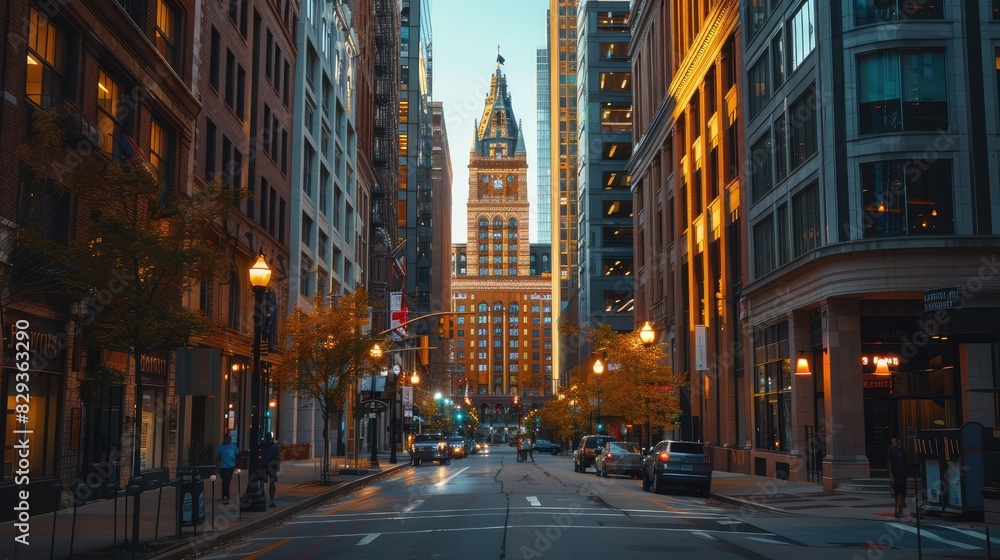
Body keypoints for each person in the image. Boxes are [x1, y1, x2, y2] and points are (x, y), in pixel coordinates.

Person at [886, 437, 907, 518]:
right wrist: (891, 477)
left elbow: (905, 461)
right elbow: (888, 463)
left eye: (896, 441)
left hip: (902, 473)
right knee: (899, 492)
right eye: (893, 441)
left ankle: (901, 507)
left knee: (903, 492)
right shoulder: (891, 451)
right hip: (895, 474)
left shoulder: (901, 450)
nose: (895, 443)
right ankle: (897, 510)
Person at [259, 432, 280, 508]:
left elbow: (277, 456)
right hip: (268, 465)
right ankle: (268, 499)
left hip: (269, 465)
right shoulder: (271, 446)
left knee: (270, 482)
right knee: (266, 482)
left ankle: (269, 499)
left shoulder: (272, 446)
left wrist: (277, 465)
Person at [216, 433, 238, 505]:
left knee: (226, 481)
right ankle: (225, 495)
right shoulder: (221, 447)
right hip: (223, 467)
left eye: (229, 438)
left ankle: (226, 495)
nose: (229, 439)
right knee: (225, 481)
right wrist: (217, 467)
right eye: (227, 438)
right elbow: (218, 457)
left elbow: (237, 454)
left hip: (230, 466)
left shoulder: (233, 446)